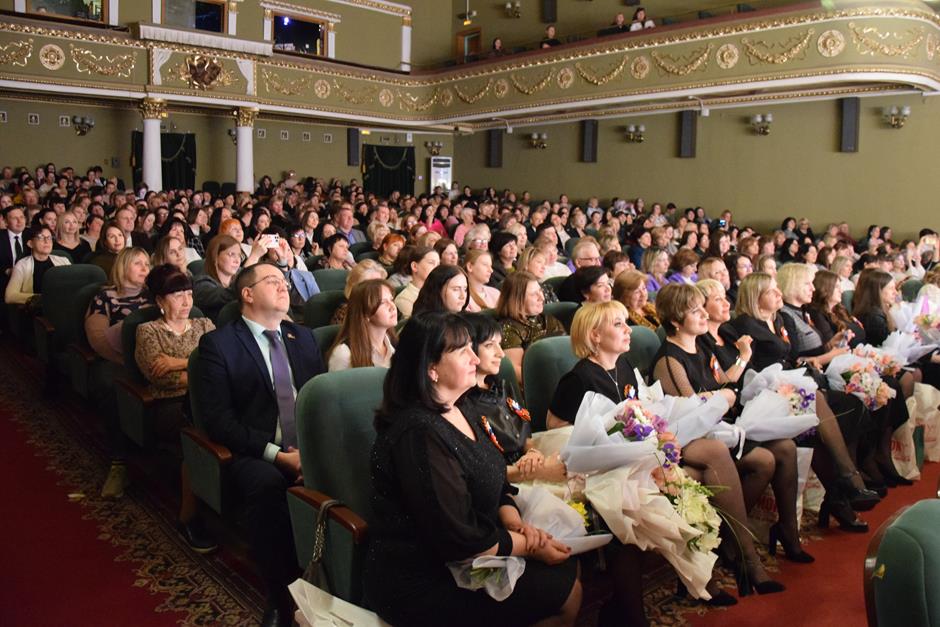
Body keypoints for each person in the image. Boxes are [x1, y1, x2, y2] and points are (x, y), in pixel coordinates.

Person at [365, 311, 581, 627]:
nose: (475, 358)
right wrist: (530, 546)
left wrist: (516, 524)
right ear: (431, 368)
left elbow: (496, 478)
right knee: (567, 593)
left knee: (568, 569)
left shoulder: (460, 406)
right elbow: (460, 539)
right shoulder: (418, 433)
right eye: (461, 351)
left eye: (472, 347)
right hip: (424, 575)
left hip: (475, 545)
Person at [196, 262, 326, 627]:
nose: (284, 286)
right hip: (256, 449)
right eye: (272, 281)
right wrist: (279, 456)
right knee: (267, 485)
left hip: (306, 445)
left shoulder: (303, 337)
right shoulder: (219, 344)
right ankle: (281, 595)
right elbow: (220, 421)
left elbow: (321, 400)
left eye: (284, 281)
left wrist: (314, 454)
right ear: (247, 294)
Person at [729, 272, 880, 530]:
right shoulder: (744, 325)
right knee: (818, 406)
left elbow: (795, 357)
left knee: (851, 407)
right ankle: (848, 483)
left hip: (795, 386)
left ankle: (841, 492)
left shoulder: (781, 319)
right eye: (772, 291)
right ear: (756, 297)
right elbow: (752, 374)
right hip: (768, 397)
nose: (779, 293)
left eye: (778, 288)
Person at [134, 264, 217, 552]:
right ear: (160, 300)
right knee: (199, 437)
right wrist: (198, 368)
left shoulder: (204, 324)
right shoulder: (148, 331)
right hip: (170, 405)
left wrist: (178, 363)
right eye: (177, 295)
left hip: (207, 398)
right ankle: (188, 517)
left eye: (189, 294)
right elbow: (161, 378)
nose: (186, 301)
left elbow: (219, 364)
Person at [461, 312, 566, 482]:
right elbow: (483, 470)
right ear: (468, 350)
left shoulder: (501, 386)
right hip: (506, 478)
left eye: (499, 344)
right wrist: (538, 472)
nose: (501, 353)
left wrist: (532, 453)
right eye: (489, 345)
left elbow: (524, 432)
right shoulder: (463, 404)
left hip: (524, 465)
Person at [86, 247, 153, 499]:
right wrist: (130, 362)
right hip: (117, 359)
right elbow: (98, 339)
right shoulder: (104, 297)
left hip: (152, 356)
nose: (145, 268)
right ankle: (118, 462)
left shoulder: (154, 294)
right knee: (111, 387)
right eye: (138, 263)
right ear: (123, 266)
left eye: (147, 263)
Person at [497, 271, 565, 382]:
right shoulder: (509, 328)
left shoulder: (549, 319)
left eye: (540, 291)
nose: (542, 298)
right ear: (517, 299)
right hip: (538, 383)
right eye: (534, 294)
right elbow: (516, 371)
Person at [327, 279, 397, 371]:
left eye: (391, 300)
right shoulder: (344, 354)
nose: (392, 307)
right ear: (365, 314)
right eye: (383, 303)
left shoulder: (395, 344)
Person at [5, 225, 71, 305]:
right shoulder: (22, 265)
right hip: (36, 308)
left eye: (49, 238)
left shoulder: (63, 261)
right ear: (30, 243)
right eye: (41, 237)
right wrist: (43, 298)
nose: (46, 241)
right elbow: (10, 296)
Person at [193, 234, 241, 323]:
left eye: (239, 255)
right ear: (215, 256)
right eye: (231, 254)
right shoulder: (201, 283)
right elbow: (224, 295)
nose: (237, 261)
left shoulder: (237, 276)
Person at [330, 259, 388, 326]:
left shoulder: (384, 308)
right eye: (372, 285)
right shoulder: (345, 315)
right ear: (355, 288)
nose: (378, 290)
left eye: (380, 284)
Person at [394, 246, 440, 319]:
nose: (437, 268)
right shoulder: (404, 299)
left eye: (438, 264)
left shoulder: (440, 292)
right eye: (431, 263)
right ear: (415, 266)